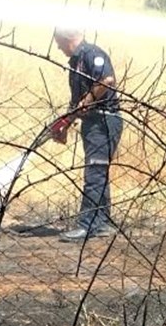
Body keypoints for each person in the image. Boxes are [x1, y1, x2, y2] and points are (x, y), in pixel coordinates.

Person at [50, 27, 123, 241]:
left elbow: (106, 80)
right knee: (98, 172)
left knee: (94, 174)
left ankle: (87, 225)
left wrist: (88, 99)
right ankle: (102, 223)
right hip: (92, 123)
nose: (58, 47)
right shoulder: (76, 62)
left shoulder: (91, 54)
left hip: (103, 122)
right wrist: (64, 124)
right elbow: (78, 103)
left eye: (59, 42)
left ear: (67, 38)